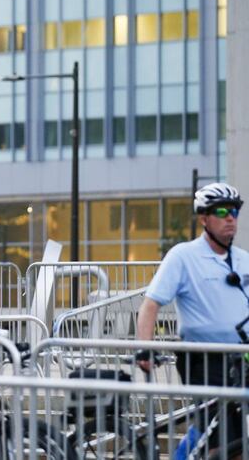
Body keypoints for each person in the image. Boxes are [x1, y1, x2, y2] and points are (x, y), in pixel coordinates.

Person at [136, 183, 248, 454]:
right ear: (203, 218)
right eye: (221, 211)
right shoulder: (183, 256)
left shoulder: (243, 259)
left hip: (241, 357)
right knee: (222, 439)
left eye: (234, 211)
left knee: (228, 434)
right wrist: (144, 348)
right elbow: (150, 305)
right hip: (204, 358)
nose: (230, 217)